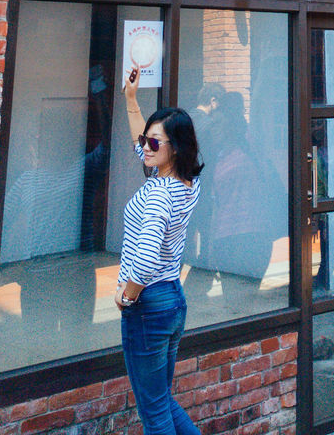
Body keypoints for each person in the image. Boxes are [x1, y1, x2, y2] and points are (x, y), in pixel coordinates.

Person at [117, 65, 203, 435]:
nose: (146, 147)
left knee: (154, 413)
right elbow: (143, 141)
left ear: (175, 148)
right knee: (162, 400)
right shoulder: (186, 182)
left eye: (155, 142)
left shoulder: (159, 195)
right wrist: (131, 98)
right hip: (172, 300)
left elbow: (147, 255)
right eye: (147, 140)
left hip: (149, 304)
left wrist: (128, 294)